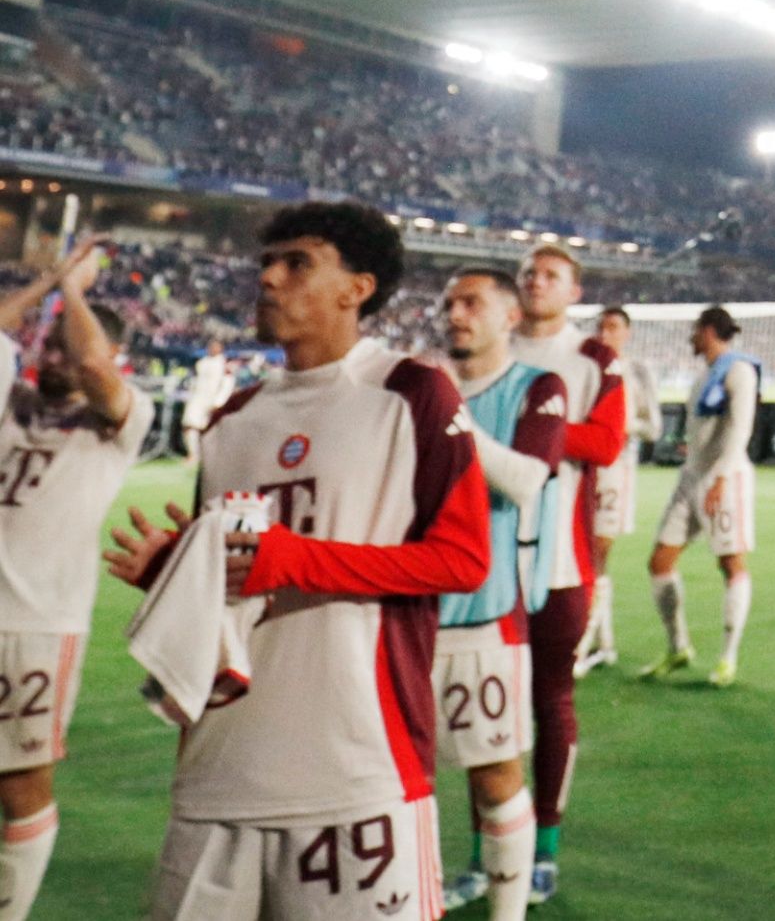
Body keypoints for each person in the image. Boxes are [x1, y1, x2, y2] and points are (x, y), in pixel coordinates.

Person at [104, 201, 490, 921]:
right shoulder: (232, 421)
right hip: (220, 767)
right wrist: (177, 575)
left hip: (356, 768)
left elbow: (462, 559)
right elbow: (238, 584)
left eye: (297, 263)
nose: (270, 279)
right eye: (266, 264)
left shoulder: (409, 391)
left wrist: (298, 560)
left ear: (357, 288)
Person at [0, 240, 152, 921]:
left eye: (64, 346)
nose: (54, 358)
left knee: (20, 785)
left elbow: (92, 358)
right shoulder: (11, 400)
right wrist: (48, 284)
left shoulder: (119, 420)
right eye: (48, 345)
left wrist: (76, 294)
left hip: (35, 628)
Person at [427, 270, 570, 921]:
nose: (455, 313)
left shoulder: (537, 388)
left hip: (485, 614)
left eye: (471, 303)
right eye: (450, 302)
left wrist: (449, 416)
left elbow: (524, 480)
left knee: (495, 776)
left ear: (509, 317)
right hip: (406, 611)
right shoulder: (418, 387)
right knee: (401, 779)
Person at [506, 246, 626, 902]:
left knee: (551, 701)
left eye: (550, 274)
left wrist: (523, 427)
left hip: (560, 558)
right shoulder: (490, 344)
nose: (535, 281)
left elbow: (605, 444)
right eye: (528, 272)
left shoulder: (594, 359)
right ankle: (489, 850)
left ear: (575, 289)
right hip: (486, 559)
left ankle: (544, 847)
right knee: (483, 710)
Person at [645, 307, 758, 686]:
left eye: (695, 330)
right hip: (690, 477)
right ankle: (678, 646)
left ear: (708, 331)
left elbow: (741, 429)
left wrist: (722, 477)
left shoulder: (738, 371)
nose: (691, 337)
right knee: (660, 561)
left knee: (731, 563)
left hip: (723, 479)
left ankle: (728, 657)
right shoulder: (703, 375)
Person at [576, 304, 661, 675]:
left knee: (598, 552)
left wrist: (622, 426)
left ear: (626, 333)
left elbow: (654, 427)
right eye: (601, 327)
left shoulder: (636, 373)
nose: (605, 333)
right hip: (587, 471)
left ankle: (582, 644)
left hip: (617, 471)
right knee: (589, 553)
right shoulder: (587, 369)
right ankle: (603, 643)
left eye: (613, 327)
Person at [180, 337, 234, 459]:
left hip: (212, 400)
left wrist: (219, 401)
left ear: (221, 348)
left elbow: (227, 384)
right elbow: (195, 381)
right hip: (197, 398)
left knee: (210, 429)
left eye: (215, 346)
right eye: (210, 346)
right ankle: (193, 454)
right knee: (189, 424)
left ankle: (211, 456)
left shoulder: (224, 364)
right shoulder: (202, 362)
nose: (212, 348)